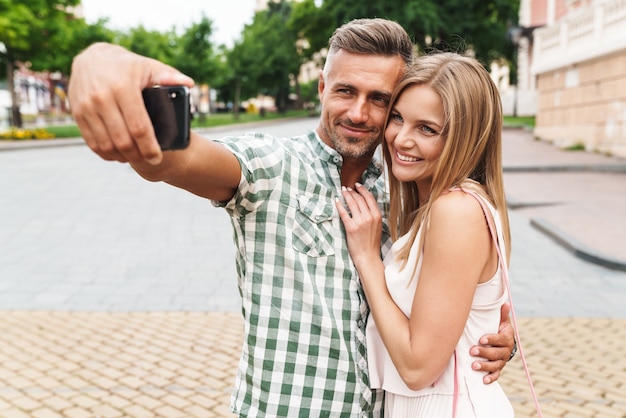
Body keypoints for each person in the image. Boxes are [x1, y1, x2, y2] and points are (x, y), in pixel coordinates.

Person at [68, 18, 515, 417]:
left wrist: (493, 336)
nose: (359, 113)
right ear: (321, 88)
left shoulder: (405, 190)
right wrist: (98, 59)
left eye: (379, 99)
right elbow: (174, 160)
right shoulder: (271, 166)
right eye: (345, 91)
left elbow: (450, 299)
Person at [336, 52, 515, 417]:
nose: (401, 139)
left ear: (465, 139)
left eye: (427, 129)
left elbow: (418, 368)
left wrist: (368, 260)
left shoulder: (456, 211)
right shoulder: (444, 207)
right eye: (398, 118)